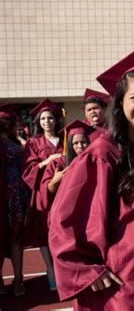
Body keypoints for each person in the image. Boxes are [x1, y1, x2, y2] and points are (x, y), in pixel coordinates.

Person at [48, 44, 134, 310]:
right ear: (120, 102)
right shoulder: (103, 152)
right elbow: (66, 215)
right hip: (125, 278)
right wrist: (84, 269)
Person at [22, 98, 64, 290]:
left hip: (64, 192)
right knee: (43, 232)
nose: (47, 121)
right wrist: (47, 161)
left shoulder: (65, 138)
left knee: (62, 230)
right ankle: (50, 269)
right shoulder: (33, 142)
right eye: (43, 119)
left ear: (56, 120)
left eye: (50, 118)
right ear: (39, 122)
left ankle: (63, 268)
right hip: (42, 192)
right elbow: (27, 169)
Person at [0, 104, 29, 297]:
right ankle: (17, 280)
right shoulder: (14, 147)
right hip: (14, 198)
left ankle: (6, 281)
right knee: (15, 239)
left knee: (10, 239)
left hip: (11, 198)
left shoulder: (13, 146)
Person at [39, 120, 95, 214]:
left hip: (88, 210)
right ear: (69, 144)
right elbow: (46, 193)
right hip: (65, 211)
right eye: (75, 143)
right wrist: (55, 180)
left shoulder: (94, 162)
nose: (80, 146)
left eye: (83, 142)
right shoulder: (58, 163)